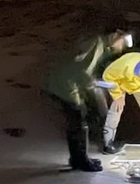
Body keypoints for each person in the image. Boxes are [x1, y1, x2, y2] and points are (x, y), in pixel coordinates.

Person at [44, 29, 133, 171]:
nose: (121, 48)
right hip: (64, 86)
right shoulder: (96, 43)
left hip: (65, 84)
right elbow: (78, 67)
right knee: (78, 122)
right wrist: (90, 82)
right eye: (123, 43)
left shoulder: (101, 47)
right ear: (116, 35)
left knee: (77, 121)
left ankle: (78, 158)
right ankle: (81, 161)